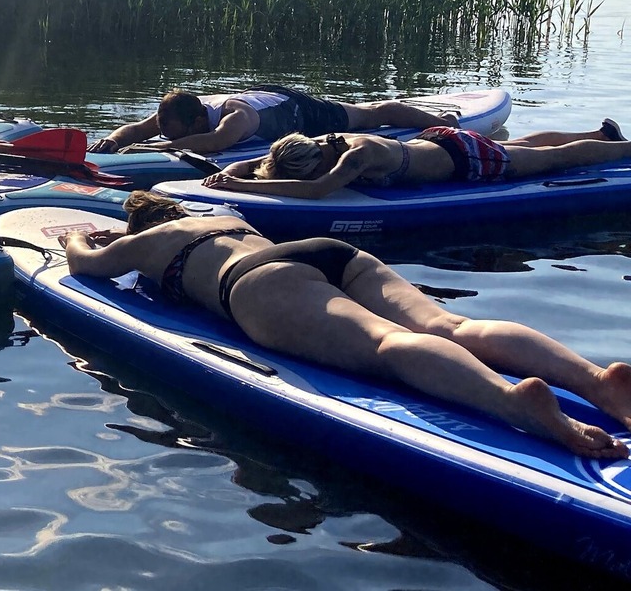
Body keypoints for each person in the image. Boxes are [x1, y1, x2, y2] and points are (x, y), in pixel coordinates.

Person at [60, 190, 631, 459]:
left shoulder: (150, 240)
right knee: (450, 325)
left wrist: (79, 237)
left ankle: (511, 402)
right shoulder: (223, 216)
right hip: (324, 252)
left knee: (388, 344)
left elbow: (86, 264)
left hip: (256, 283)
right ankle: (596, 380)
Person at [201, 119, 631, 198]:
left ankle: (619, 148)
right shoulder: (316, 143)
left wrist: (239, 186)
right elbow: (265, 163)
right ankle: (601, 133)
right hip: (437, 142)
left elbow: (316, 189)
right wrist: (232, 170)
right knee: (521, 144)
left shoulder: (356, 156)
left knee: (555, 159)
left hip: (464, 159)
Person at [93, 86, 458, 155]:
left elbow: (217, 142)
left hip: (295, 111)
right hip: (262, 93)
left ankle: (441, 119)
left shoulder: (235, 117)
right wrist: (115, 140)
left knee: (370, 116)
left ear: (198, 119)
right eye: (165, 133)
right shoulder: (177, 112)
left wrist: (158, 149)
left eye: (174, 135)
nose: (166, 136)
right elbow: (136, 130)